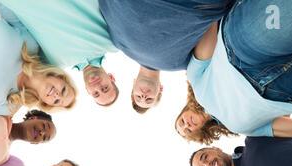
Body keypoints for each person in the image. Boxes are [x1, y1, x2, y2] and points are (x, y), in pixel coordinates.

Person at [177, 0, 292, 141]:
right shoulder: (241, 129)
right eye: (187, 131)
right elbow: (285, 127)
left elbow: (210, 26)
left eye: (182, 122)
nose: (187, 125)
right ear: (200, 135)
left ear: (184, 110)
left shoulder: (195, 78)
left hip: (246, 50)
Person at [98, 0, 233, 112]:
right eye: (149, 99)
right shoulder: (183, 65)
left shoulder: (119, 45)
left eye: (138, 96)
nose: (144, 96)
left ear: (133, 85)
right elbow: (209, 34)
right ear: (160, 89)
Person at [0, 0, 119, 107]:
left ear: (87, 91)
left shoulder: (49, 64)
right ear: (111, 78)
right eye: (105, 88)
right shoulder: (112, 41)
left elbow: (17, 30)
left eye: (96, 93)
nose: (97, 87)